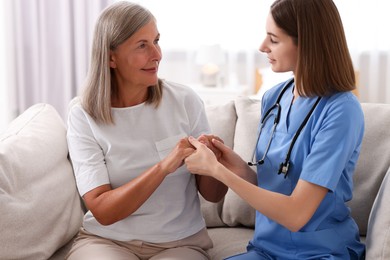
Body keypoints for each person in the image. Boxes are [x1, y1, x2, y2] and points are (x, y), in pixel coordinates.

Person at [185, 0, 365, 259]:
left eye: (274, 39)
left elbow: (296, 214)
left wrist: (216, 172)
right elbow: (275, 188)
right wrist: (229, 163)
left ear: (307, 43)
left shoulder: (341, 111)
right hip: (267, 249)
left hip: (319, 252)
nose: (262, 47)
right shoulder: (274, 99)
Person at [65, 2, 227, 260]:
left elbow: (213, 194)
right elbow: (103, 211)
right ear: (110, 57)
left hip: (179, 244)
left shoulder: (184, 100)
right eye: (142, 45)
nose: (157, 54)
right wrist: (164, 166)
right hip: (107, 241)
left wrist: (216, 162)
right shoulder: (83, 115)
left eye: (157, 41)